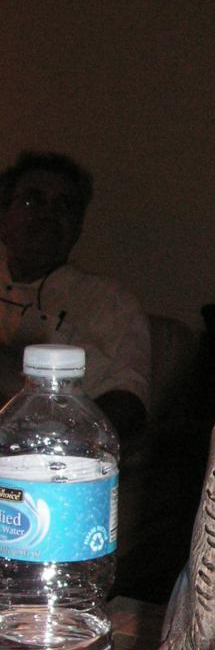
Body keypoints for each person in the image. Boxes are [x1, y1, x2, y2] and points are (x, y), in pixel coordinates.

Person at [0, 151, 151, 442]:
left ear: (78, 227)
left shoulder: (111, 302)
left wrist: (67, 439)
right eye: (32, 201)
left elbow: (129, 402)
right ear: (3, 218)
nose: (48, 214)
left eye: (64, 205)